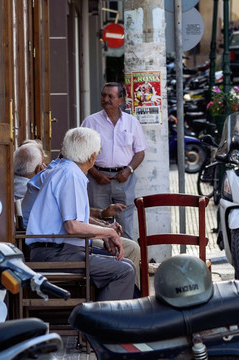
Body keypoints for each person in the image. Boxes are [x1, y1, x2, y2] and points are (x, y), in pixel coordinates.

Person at [25, 127, 135, 301]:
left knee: (125, 264)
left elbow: (76, 220)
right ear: (91, 156)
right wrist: (110, 232)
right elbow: (72, 226)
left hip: (59, 250)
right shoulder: (70, 175)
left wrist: (103, 232)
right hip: (55, 254)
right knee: (123, 271)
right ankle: (103, 324)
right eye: (97, 153)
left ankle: (105, 318)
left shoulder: (66, 170)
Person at [82, 83, 147, 241]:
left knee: (125, 224)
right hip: (98, 179)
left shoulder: (131, 122)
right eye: (104, 95)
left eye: (110, 96)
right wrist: (95, 173)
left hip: (124, 179)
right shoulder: (90, 122)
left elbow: (140, 152)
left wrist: (128, 171)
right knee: (99, 224)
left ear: (121, 99)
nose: (106, 99)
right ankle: (104, 262)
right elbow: (81, 152)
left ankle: (128, 262)